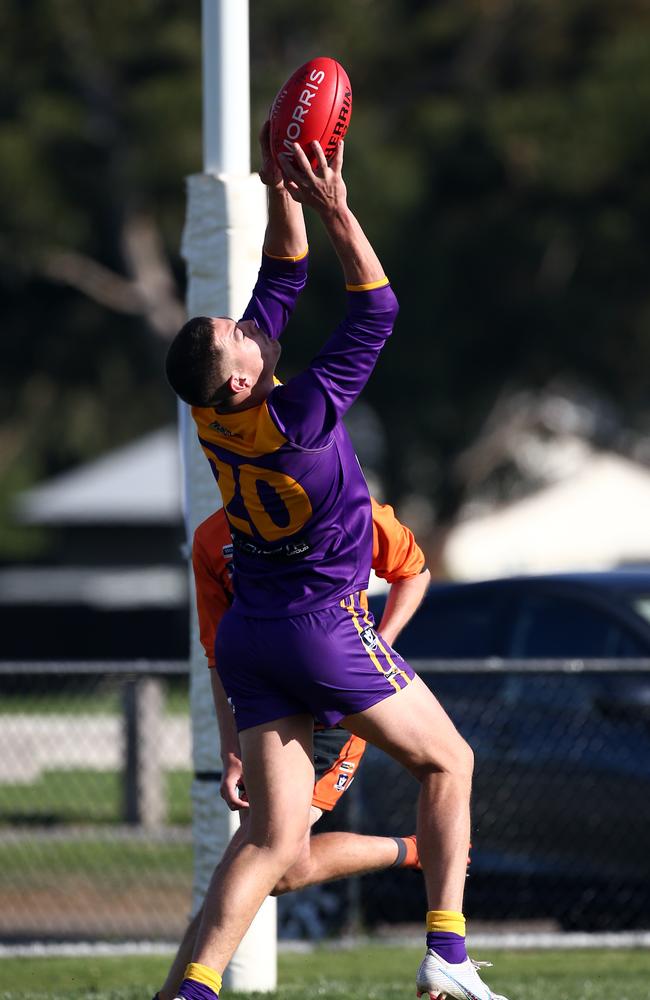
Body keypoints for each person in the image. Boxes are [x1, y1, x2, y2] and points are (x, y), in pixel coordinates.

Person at [165, 125, 508, 1000]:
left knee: (275, 848)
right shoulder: (301, 414)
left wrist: (284, 177)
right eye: (233, 334)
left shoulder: (216, 408)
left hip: (253, 636)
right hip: (321, 631)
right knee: (450, 763)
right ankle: (447, 956)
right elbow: (377, 308)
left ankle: (192, 990)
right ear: (240, 377)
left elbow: (282, 274)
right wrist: (338, 206)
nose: (244, 328)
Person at [153, 498, 431, 1000]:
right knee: (272, 867)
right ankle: (414, 849)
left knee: (253, 860)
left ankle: (180, 994)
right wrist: (229, 747)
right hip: (271, 709)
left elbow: (413, 571)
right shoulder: (213, 537)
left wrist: (374, 649)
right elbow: (217, 653)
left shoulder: (340, 504)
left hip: (333, 714)